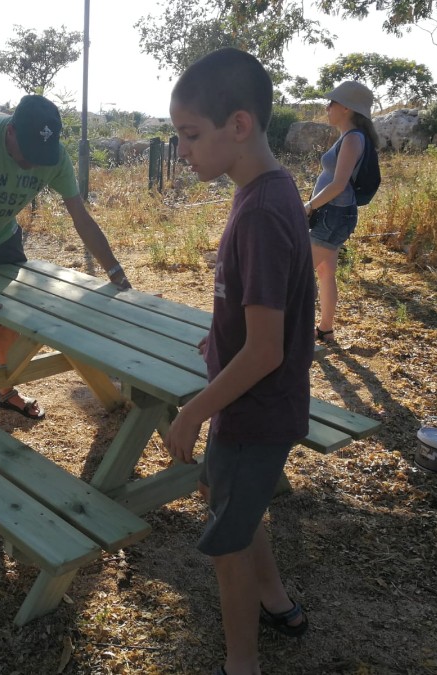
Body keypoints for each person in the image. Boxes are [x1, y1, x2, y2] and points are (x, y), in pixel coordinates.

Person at [163, 49, 315, 675]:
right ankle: (276, 599)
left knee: (227, 542)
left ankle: (241, 664)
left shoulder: (258, 211)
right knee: (239, 506)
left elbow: (264, 350)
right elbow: (256, 319)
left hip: (252, 413)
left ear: (240, 125)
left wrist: (191, 414)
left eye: (190, 135)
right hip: (256, 405)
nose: (183, 151)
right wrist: (215, 343)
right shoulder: (264, 190)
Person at [0, 94, 131, 419]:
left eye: (41, 156)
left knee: (14, 315)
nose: (33, 164)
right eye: (28, 154)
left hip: (2, 235)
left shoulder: (56, 157)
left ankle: (5, 390)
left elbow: (81, 218)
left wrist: (116, 273)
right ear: (10, 131)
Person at [304, 80, 378, 344]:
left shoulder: (353, 139)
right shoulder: (350, 137)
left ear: (346, 108)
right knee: (325, 272)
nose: (327, 107)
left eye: (332, 102)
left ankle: (290, 331)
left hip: (333, 216)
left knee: (297, 274)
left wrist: (310, 206)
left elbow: (338, 184)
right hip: (334, 215)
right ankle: (325, 329)